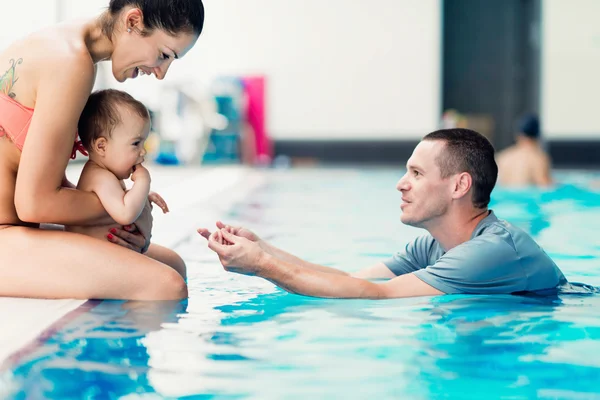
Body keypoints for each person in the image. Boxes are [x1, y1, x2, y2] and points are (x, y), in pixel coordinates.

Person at [199, 128, 568, 299]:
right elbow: (351, 279)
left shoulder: (493, 250)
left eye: (417, 173)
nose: (401, 184)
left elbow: (377, 295)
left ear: (459, 186)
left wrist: (261, 265)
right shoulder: (433, 245)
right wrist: (262, 248)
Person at [0, 0, 204, 300]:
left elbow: (38, 182)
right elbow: (34, 204)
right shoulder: (70, 62)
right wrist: (126, 208)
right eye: (163, 55)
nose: (161, 73)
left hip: (14, 228)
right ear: (133, 20)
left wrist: (124, 206)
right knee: (166, 287)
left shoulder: (66, 44)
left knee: (173, 264)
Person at [65, 89, 185, 278]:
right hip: (94, 262)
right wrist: (144, 182)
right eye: (136, 144)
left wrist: (143, 195)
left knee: (177, 265)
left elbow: (118, 201)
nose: (143, 152)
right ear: (101, 146)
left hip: (107, 256)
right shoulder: (98, 176)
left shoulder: (105, 174)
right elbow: (125, 213)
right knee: (165, 278)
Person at [496, 114, 553, 187]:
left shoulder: (502, 157)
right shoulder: (538, 159)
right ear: (538, 135)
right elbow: (546, 187)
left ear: (517, 134)